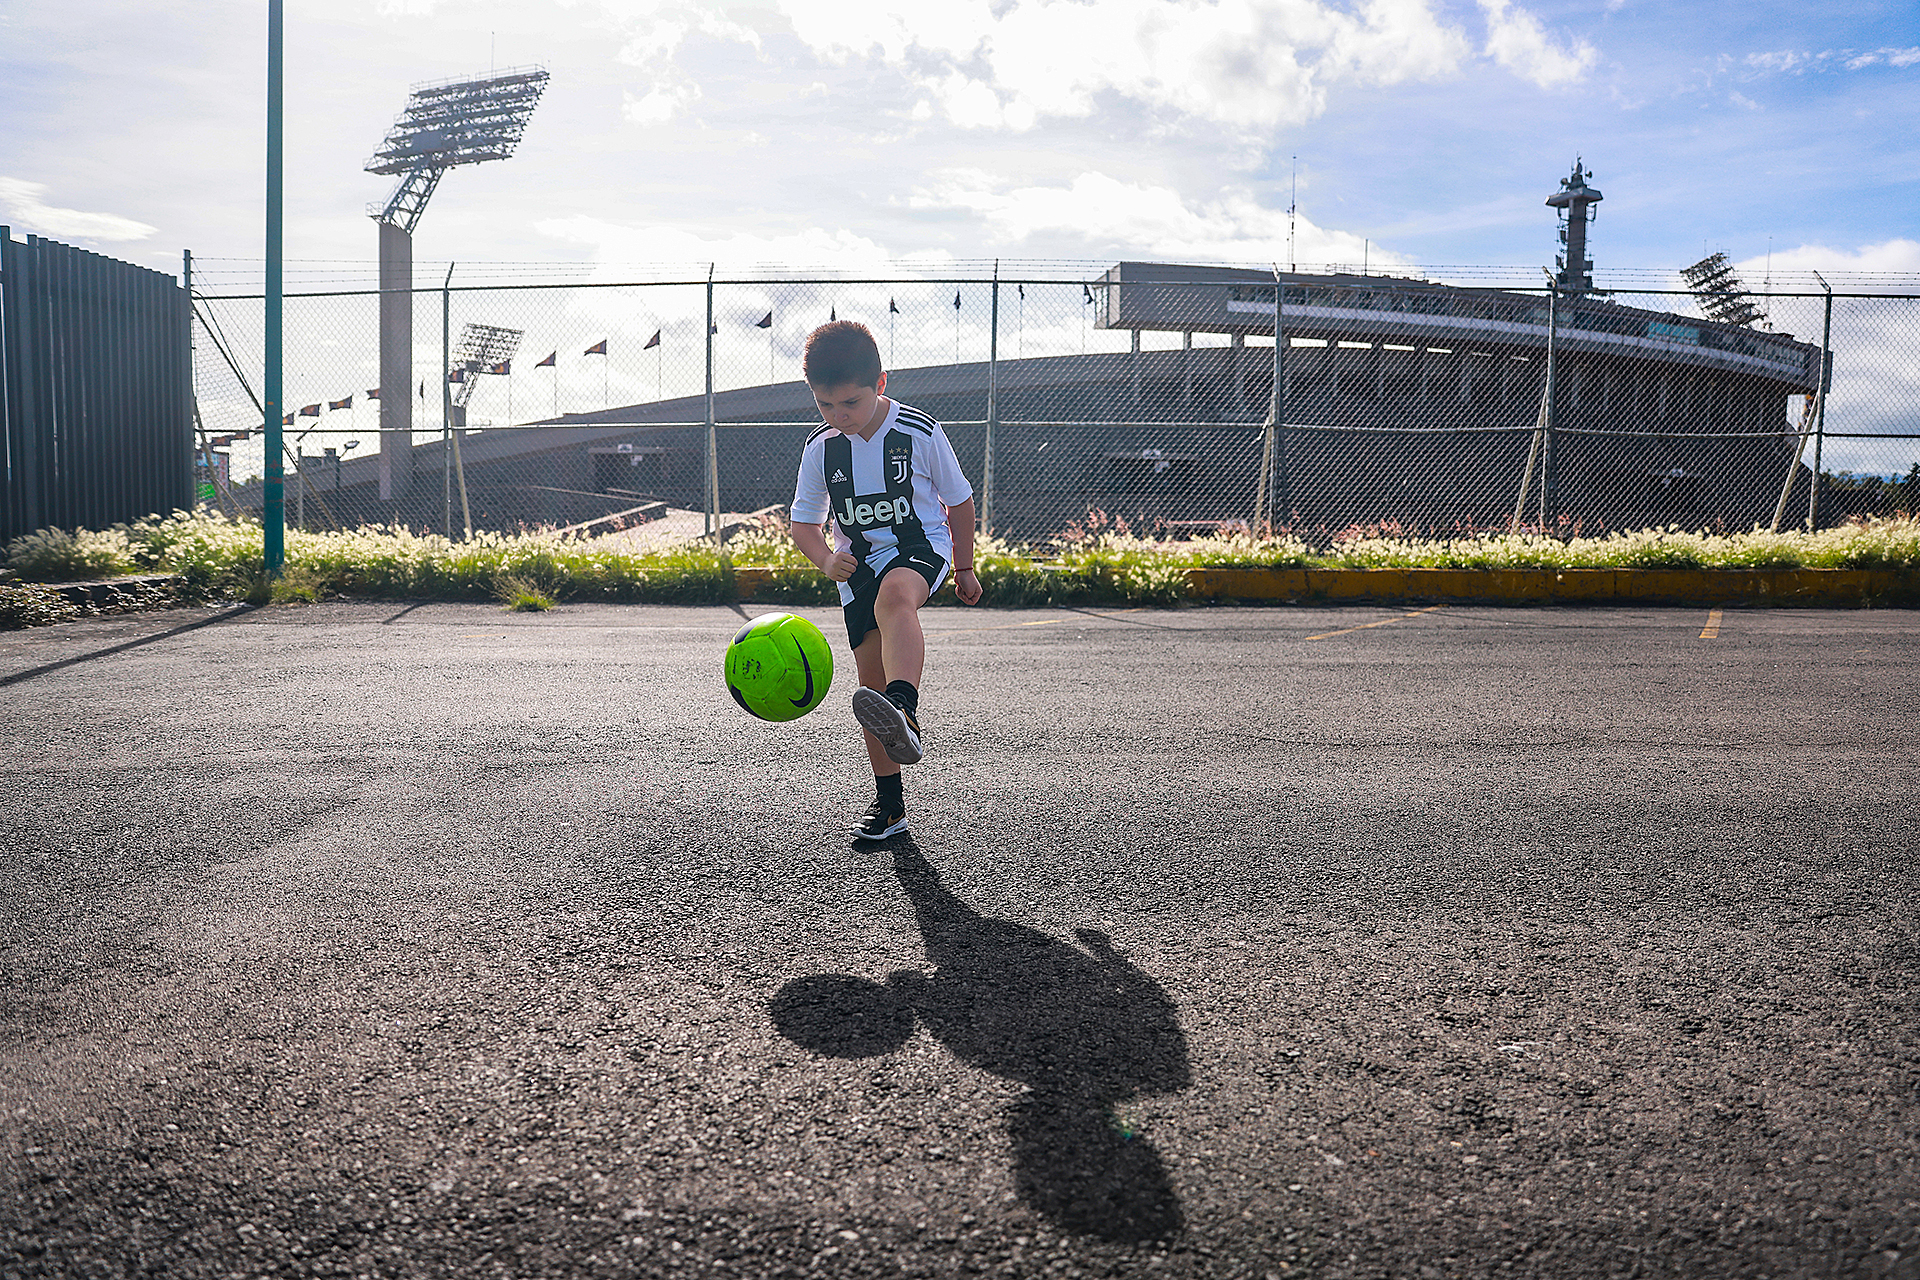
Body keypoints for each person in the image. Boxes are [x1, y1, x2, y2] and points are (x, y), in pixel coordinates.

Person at [788, 321, 982, 841]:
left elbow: (959, 502)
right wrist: (827, 560)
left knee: (897, 597)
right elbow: (803, 522)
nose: (838, 416)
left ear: (881, 383)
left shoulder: (919, 432)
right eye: (825, 406)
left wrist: (963, 566)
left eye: (849, 402)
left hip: (920, 549)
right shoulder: (822, 447)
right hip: (857, 568)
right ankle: (891, 805)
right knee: (867, 686)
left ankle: (907, 708)